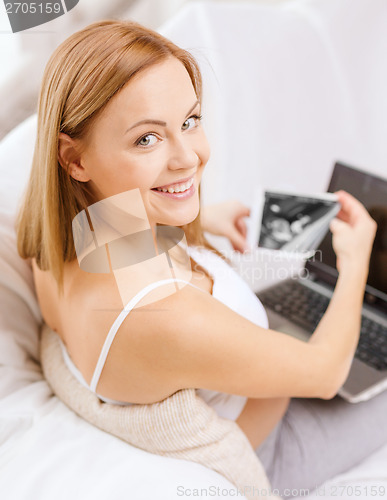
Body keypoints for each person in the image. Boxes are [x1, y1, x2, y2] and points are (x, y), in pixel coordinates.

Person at [16, 19, 386, 499]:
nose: (188, 157)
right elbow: (324, 371)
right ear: (75, 159)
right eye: (147, 139)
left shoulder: (56, 237)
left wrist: (200, 219)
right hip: (272, 448)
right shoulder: (165, 314)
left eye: (189, 121)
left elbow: (110, 245)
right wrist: (354, 262)